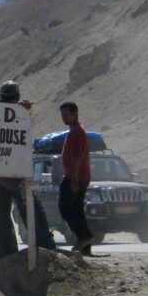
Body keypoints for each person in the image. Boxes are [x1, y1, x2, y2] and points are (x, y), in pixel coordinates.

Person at [0, 80, 57, 260]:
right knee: (30, 202)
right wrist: (22, 112)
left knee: (2, 211)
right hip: (11, 168)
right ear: (17, 97)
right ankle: (45, 244)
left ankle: (5, 253)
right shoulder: (14, 113)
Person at [58, 101, 94, 254]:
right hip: (80, 176)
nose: (64, 118)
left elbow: (77, 157)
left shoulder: (77, 132)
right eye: (62, 115)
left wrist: (73, 179)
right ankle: (86, 247)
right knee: (77, 210)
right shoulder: (74, 131)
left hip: (75, 177)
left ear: (75, 114)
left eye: (66, 115)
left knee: (65, 209)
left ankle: (84, 236)